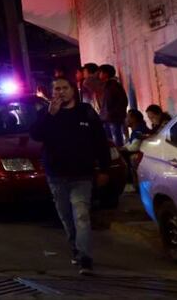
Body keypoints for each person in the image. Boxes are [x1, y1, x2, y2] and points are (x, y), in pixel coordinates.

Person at [31, 75, 111, 276]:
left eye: (64, 88)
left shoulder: (85, 112)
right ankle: (75, 246)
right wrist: (50, 116)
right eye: (56, 89)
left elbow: (100, 141)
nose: (60, 92)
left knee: (82, 215)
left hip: (82, 174)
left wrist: (104, 168)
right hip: (56, 174)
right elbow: (36, 135)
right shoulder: (46, 113)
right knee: (66, 217)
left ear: (73, 90)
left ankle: (85, 258)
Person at [119, 109, 150, 192]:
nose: (126, 120)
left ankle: (131, 184)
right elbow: (129, 143)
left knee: (122, 156)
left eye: (127, 117)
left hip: (142, 153)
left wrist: (122, 149)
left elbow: (134, 147)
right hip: (139, 152)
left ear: (134, 119)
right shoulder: (136, 130)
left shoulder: (139, 130)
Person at [98, 64, 128, 147]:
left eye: (100, 72)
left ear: (106, 74)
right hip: (109, 118)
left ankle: (120, 157)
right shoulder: (108, 85)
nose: (99, 74)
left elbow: (123, 101)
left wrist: (112, 113)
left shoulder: (113, 86)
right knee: (112, 140)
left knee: (117, 141)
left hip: (113, 118)